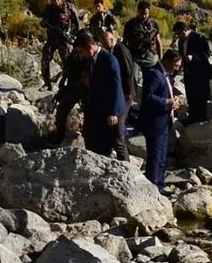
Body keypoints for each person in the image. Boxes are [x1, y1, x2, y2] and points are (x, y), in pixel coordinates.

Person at [73, 30, 127, 157]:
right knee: (93, 140)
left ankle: (129, 173)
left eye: (82, 51)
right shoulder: (89, 60)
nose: (81, 55)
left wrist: (113, 112)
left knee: (117, 142)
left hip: (113, 109)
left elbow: (115, 86)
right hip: (96, 108)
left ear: (90, 47)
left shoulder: (109, 60)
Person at [139, 49, 182, 189]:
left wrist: (173, 101)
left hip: (164, 121)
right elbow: (148, 97)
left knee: (162, 156)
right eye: (176, 65)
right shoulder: (154, 74)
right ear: (168, 61)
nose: (177, 68)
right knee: (155, 156)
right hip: (154, 122)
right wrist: (166, 102)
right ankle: (153, 186)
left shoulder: (165, 74)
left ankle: (160, 185)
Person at [99, 29, 133, 160]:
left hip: (125, 94)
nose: (103, 45)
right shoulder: (112, 51)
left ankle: (125, 163)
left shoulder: (121, 50)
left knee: (118, 129)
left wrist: (127, 93)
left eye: (105, 42)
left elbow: (127, 72)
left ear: (112, 40)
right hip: (121, 93)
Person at [40, 0, 80, 90]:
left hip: (64, 40)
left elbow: (77, 23)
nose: (56, 1)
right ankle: (47, 83)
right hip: (52, 39)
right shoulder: (48, 9)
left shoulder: (68, 7)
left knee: (68, 63)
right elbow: (42, 22)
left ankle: (71, 83)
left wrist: (75, 36)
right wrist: (44, 23)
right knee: (45, 58)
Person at [173, 21, 212, 123]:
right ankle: (193, 118)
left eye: (180, 34)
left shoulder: (199, 38)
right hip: (189, 72)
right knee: (190, 96)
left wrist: (193, 57)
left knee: (201, 97)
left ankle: (201, 120)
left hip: (201, 72)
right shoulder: (181, 41)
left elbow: (207, 53)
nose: (179, 36)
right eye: (177, 35)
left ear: (186, 30)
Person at [52, 47, 88, 145]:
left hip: (85, 90)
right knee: (61, 112)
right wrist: (62, 89)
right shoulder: (73, 57)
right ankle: (59, 138)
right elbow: (66, 72)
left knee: (89, 115)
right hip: (72, 88)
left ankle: (88, 140)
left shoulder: (90, 57)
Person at [123, 1, 162, 69]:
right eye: (141, 13)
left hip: (150, 57)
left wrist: (161, 59)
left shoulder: (154, 24)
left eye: (146, 14)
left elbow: (158, 42)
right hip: (134, 57)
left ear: (149, 12)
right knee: (135, 78)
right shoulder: (130, 24)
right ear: (138, 11)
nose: (144, 16)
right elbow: (124, 42)